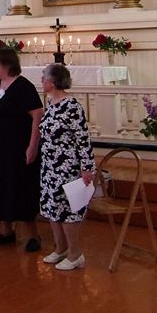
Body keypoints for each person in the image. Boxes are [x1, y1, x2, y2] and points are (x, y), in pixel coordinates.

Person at [0, 48, 45, 252]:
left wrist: (32, 146)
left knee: (21, 189)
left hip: (17, 149)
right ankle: (5, 231)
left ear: (7, 64)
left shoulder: (23, 86)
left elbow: (37, 115)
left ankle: (33, 235)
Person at [39, 63, 95, 271]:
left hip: (67, 167)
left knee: (67, 210)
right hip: (50, 166)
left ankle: (75, 253)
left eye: (44, 77)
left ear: (52, 82)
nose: (41, 80)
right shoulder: (51, 103)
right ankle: (61, 248)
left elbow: (82, 138)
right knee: (52, 208)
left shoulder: (72, 106)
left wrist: (87, 167)